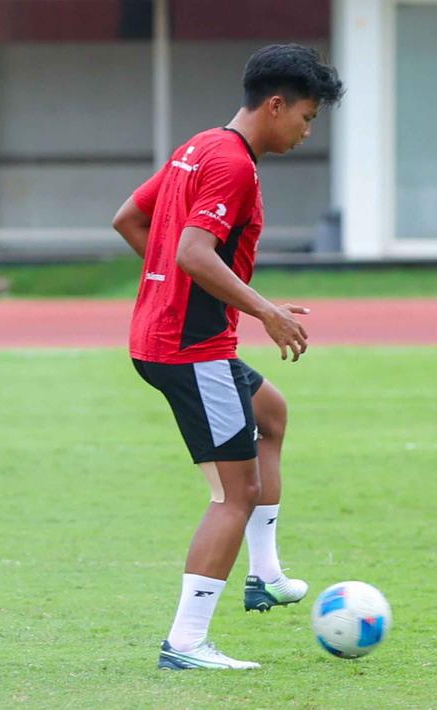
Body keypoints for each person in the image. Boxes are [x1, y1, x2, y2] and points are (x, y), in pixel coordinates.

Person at [111, 44, 344, 670]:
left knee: (271, 413)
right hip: (191, 350)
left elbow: (131, 218)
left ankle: (264, 574)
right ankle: (185, 643)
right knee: (232, 496)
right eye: (307, 116)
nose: (306, 130)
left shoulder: (200, 146)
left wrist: (190, 292)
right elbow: (191, 252)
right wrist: (262, 310)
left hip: (171, 337)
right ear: (276, 104)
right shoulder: (233, 165)